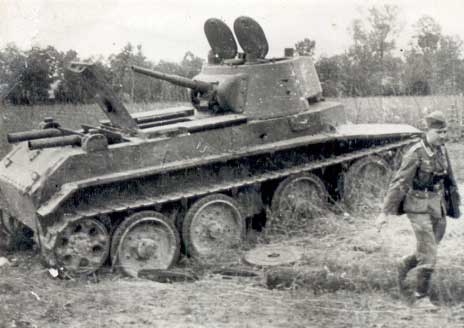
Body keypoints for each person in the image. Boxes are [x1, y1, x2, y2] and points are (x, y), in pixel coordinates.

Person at [377, 110, 461, 310]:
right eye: (439, 132)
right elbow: (399, 183)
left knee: (428, 247)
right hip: (417, 206)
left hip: (437, 205)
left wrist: (455, 202)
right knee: (429, 252)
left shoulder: (442, 149)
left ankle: (404, 265)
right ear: (428, 130)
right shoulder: (415, 153)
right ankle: (420, 297)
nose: (443, 136)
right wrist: (384, 212)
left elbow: (449, 178)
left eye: (445, 132)